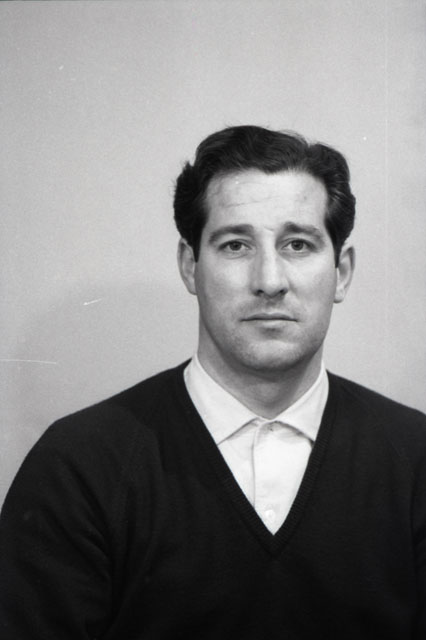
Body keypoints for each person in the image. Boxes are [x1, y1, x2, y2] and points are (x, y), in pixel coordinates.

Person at [1, 125, 425, 639]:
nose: (269, 281)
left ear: (342, 272)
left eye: (297, 244)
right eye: (235, 245)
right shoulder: (78, 465)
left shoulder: (416, 458)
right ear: (190, 266)